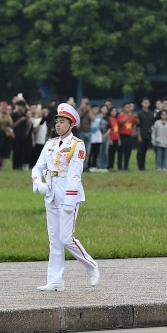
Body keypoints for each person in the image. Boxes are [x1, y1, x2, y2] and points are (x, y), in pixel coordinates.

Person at [30, 103, 99, 291]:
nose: (58, 125)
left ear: (71, 124)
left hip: (68, 194)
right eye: (57, 121)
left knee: (66, 238)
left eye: (62, 122)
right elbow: (38, 167)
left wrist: (70, 200)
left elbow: (75, 175)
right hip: (51, 194)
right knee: (54, 239)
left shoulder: (77, 145)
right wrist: (38, 183)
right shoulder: (50, 144)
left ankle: (91, 266)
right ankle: (55, 280)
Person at [136, 97, 156, 171]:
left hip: (148, 135)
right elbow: (138, 126)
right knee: (140, 151)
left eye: (147, 102)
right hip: (141, 134)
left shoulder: (151, 114)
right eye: (144, 102)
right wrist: (139, 136)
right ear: (142, 103)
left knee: (145, 151)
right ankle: (140, 166)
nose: (146, 104)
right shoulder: (139, 113)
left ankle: (143, 166)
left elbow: (152, 124)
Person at [116, 102, 136, 171]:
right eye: (127, 107)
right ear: (123, 108)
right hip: (122, 136)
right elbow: (120, 122)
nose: (129, 109)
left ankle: (126, 167)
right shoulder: (121, 115)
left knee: (128, 152)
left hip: (129, 136)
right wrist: (127, 116)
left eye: (129, 107)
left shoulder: (132, 116)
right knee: (121, 152)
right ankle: (120, 167)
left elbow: (135, 123)